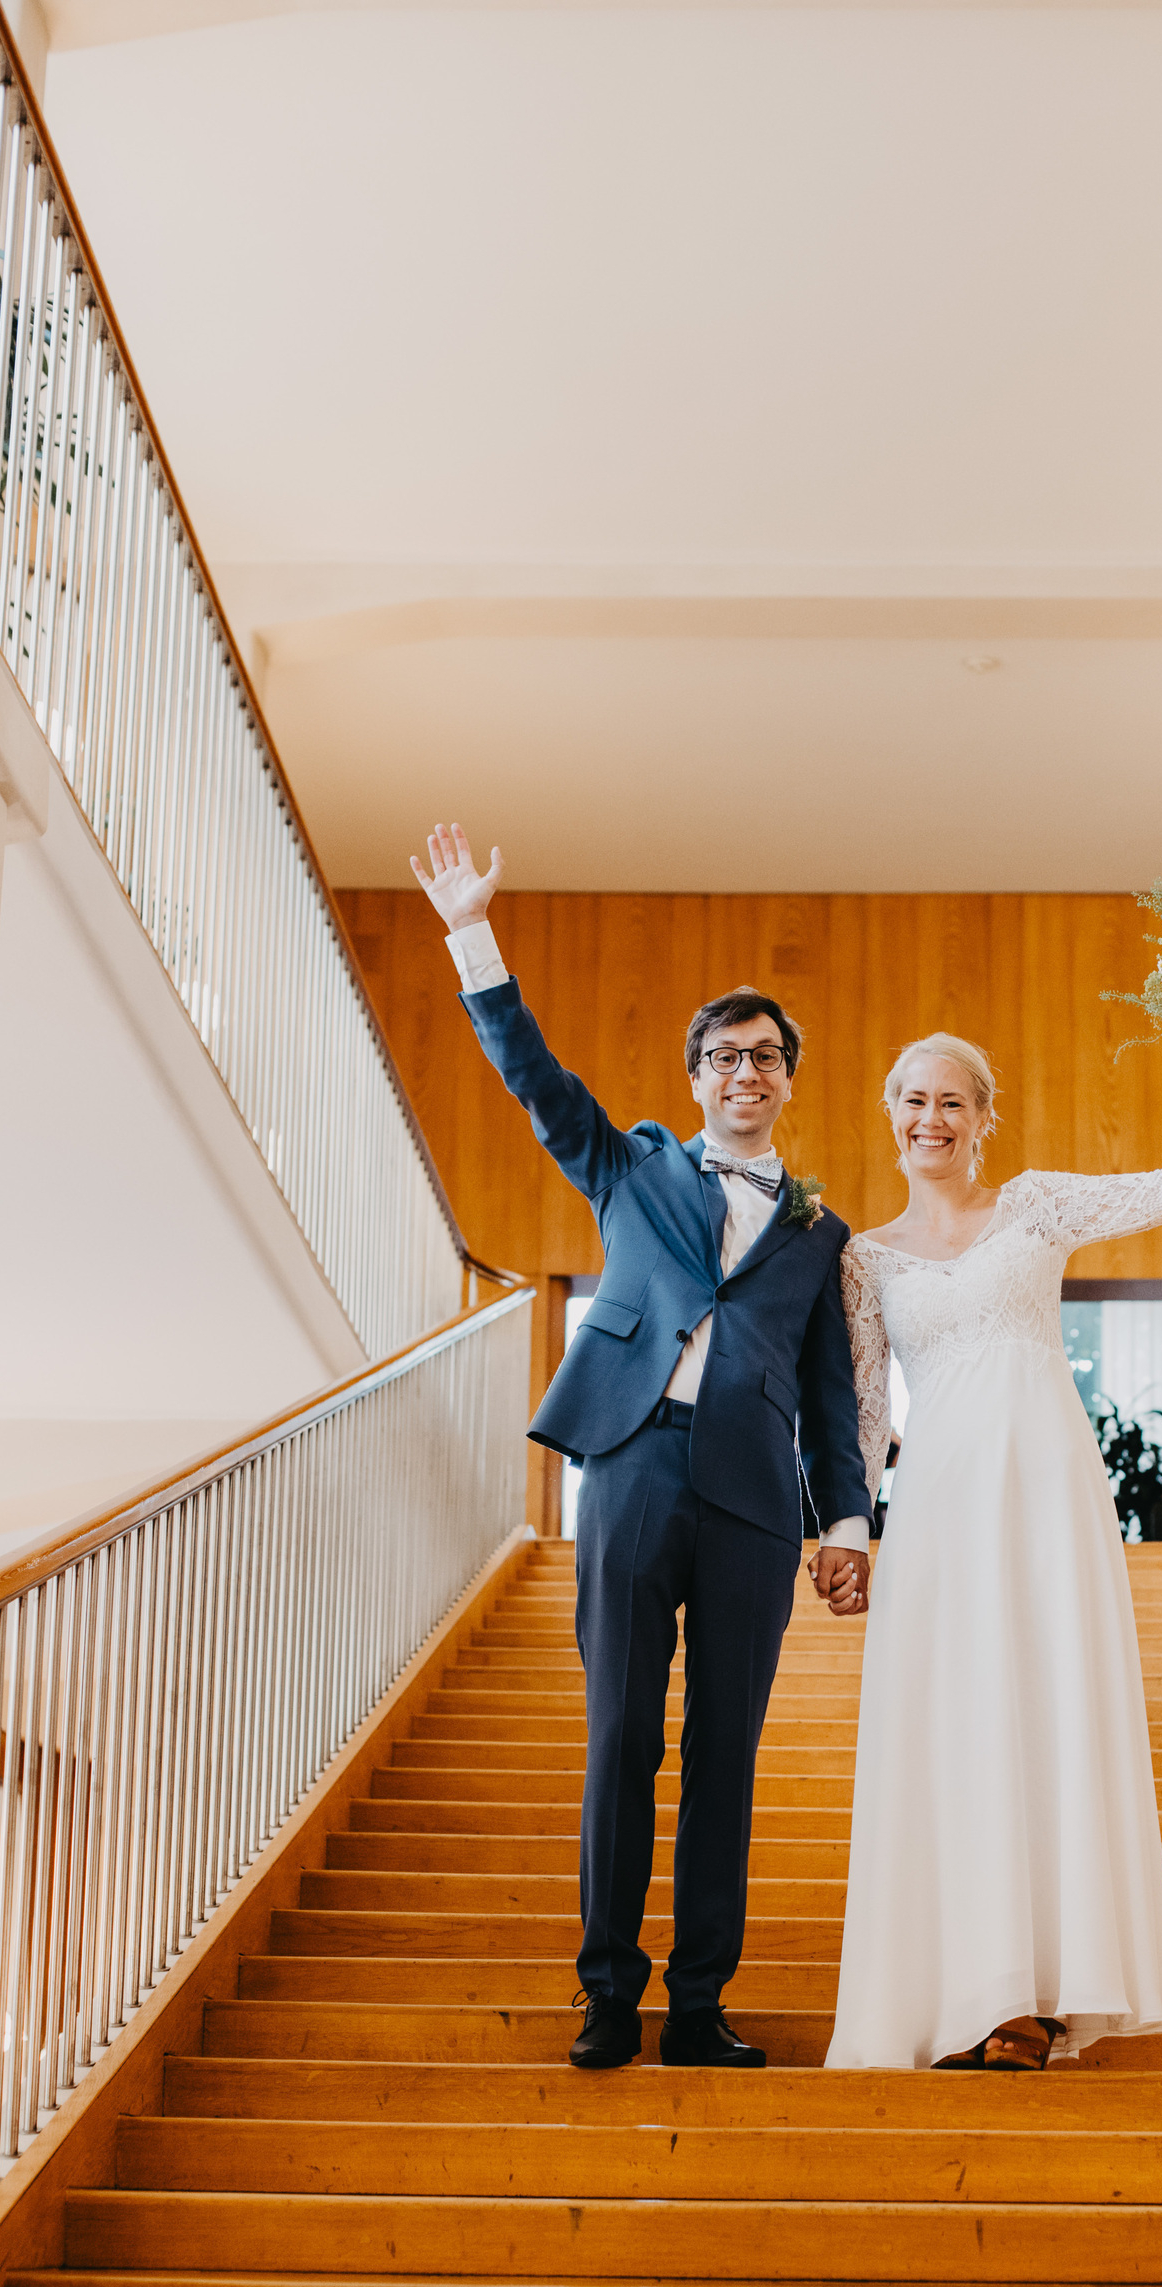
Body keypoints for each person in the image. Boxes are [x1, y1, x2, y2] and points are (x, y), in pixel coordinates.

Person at [411, 826, 873, 2071]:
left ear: (788, 1079)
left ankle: (697, 2005)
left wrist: (848, 1522)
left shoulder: (822, 1232)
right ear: (697, 1076)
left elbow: (834, 1398)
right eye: (725, 1057)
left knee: (726, 1755)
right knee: (621, 1732)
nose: (746, 1074)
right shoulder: (630, 1165)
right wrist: (472, 932)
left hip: (751, 1500)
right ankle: (607, 1992)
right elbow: (532, 1076)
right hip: (627, 1463)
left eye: (766, 1058)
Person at [826, 1010, 1162, 2071]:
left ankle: (1036, 1991)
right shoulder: (865, 1261)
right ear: (891, 1118)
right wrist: (848, 1531)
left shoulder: (1035, 1206)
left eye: (953, 1100)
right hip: (942, 1506)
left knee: (1045, 1712)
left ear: (984, 1121)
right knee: (954, 1727)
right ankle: (958, 1990)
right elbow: (863, 1407)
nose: (931, 1116)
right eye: (915, 1099)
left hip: (1046, 1493)